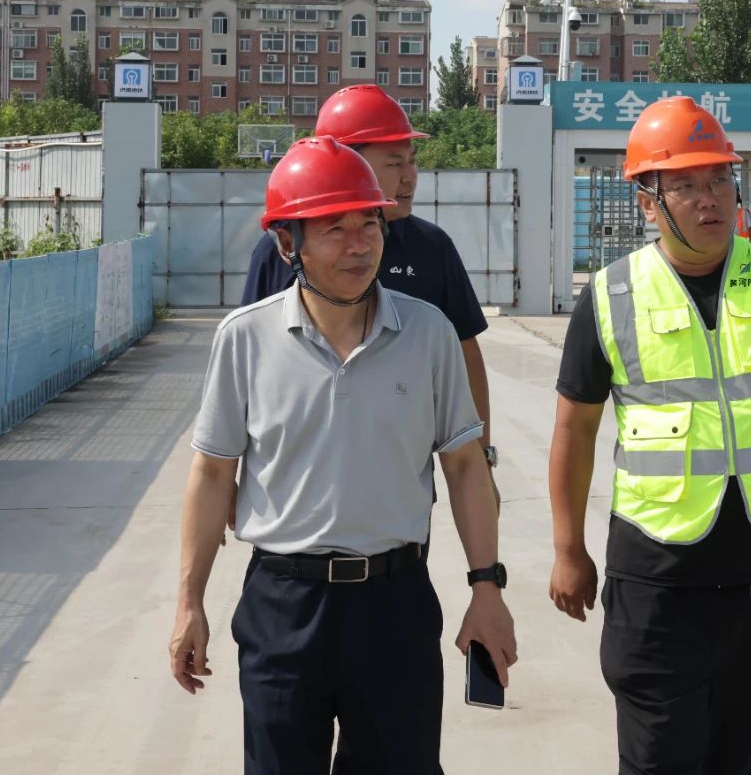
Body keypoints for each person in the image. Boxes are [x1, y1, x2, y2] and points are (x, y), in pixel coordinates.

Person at [546, 96, 751, 774]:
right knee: (660, 761)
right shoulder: (611, 297)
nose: (710, 199)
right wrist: (567, 550)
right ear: (648, 203)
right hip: (658, 586)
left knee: (741, 761)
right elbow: (573, 429)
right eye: (687, 185)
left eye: (721, 179)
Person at [169, 136, 516, 774]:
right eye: (335, 229)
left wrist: (486, 587)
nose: (360, 245)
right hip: (283, 607)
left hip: (395, 606)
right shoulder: (245, 340)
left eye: (370, 225)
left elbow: (466, 465)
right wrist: (190, 601)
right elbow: (212, 472)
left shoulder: (429, 334)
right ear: (287, 243)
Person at [241, 85, 499, 491]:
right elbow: (248, 365)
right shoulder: (282, 251)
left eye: (413, 161)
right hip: (293, 487)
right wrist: (229, 474)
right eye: (395, 163)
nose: (410, 176)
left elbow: (465, 356)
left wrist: (482, 460)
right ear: (347, 163)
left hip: (400, 490)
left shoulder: (432, 248)